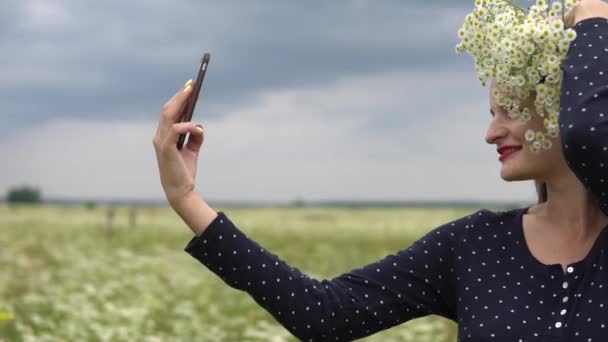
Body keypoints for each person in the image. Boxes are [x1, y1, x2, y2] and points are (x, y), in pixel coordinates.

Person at [152, 1, 608, 340]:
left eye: (509, 110)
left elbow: (587, 135)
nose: (492, 133)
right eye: (491, 112)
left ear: (565, 106)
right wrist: (185, 198)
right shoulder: (474, 246)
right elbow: (324, 314)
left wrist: (590, 18)